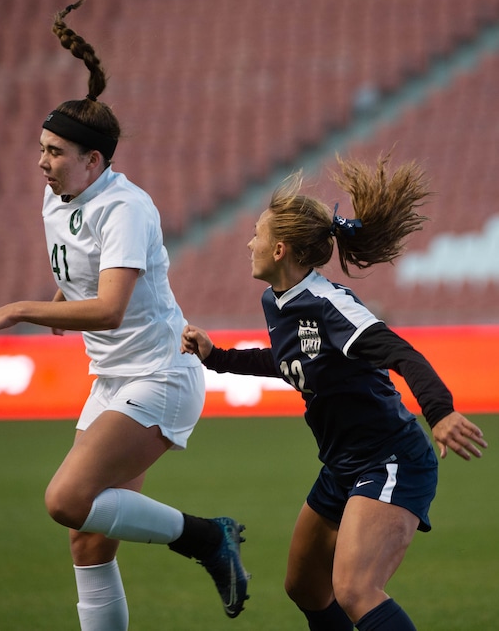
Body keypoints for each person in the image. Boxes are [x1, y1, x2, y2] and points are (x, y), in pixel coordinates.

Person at [0, 0, 249, 630]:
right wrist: (51, 306)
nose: (44, 162)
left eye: (56, 152)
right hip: (114, 379)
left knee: (67, 500)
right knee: (88, 542)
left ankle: (207, 537)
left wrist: (18, 310)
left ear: (94, 161)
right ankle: (202, 540)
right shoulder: (58, 197)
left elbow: (111, 308)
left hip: (160, 376)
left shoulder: (126, 208)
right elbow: (78, 289)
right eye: (41, 148)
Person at [180, 153, 487, 631]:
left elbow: (401, 352)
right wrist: (216, 357)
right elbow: (289, 362)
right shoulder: (277, 301)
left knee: (355, 590)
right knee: (304, 586)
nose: (248, 241)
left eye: (256, 233)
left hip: (391, 460)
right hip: (343, 466)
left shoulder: (330, 305)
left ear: (280, 249)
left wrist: (440, 412)